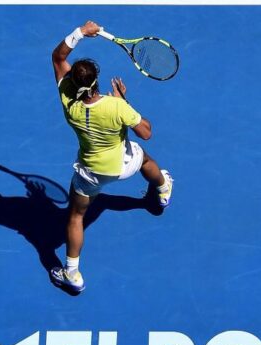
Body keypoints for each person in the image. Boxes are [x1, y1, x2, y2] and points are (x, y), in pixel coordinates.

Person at [49, 20, 173, 294]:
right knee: (147, 160)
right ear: (96, 81)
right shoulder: (117, 107)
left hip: (90, 173)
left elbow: (58, 57)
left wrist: (80, 32)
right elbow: (146, 132)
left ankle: (72, 274)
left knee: (75, 217)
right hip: (124, 165)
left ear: (72, 82)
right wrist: (124, 102)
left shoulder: (68, 102)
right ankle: (162, 189)